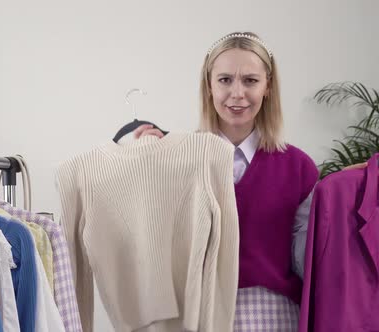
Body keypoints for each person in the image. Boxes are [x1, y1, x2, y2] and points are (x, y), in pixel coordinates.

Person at [134, 32, 318, 331]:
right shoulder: (176, 158)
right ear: (208, 85)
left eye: (250, 80)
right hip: (193, 315)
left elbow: (308, 261)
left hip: (273, 318)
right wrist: (148, 166)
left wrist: (345, 192)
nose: (237, 93)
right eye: (224, 80)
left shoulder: (299, 168)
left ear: (268, 86)